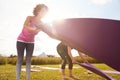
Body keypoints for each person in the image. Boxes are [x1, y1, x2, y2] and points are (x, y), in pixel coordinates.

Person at [16, 4, 48, 80]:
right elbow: (25, 26)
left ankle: (28, 78)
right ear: (37, 10)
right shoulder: (30, 18)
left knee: (28, 60)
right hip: (21, 40)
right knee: (20, 59)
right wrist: (34, 29)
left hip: (31, 42)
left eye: (45, 12)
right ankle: (17, 78)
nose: (44, 13)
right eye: (43, 11)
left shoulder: (42, 24)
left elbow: (48, 32)